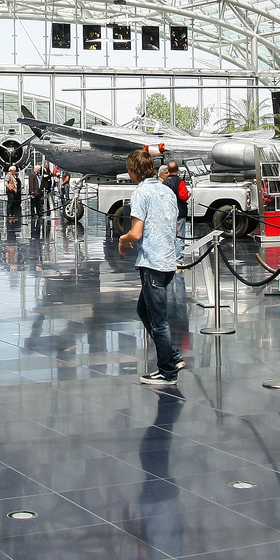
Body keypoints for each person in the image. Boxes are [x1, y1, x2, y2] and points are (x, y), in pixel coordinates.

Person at [117, 149, 183, 386]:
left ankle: (168, 371)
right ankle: (172, 355)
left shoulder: (141, 193)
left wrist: (122, 240)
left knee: (158, 320)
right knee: (144, 311)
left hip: (152, 262)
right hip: (168, 260)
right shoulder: (167, 191)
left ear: (134, 171)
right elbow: (175, 228)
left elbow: (136, 233)